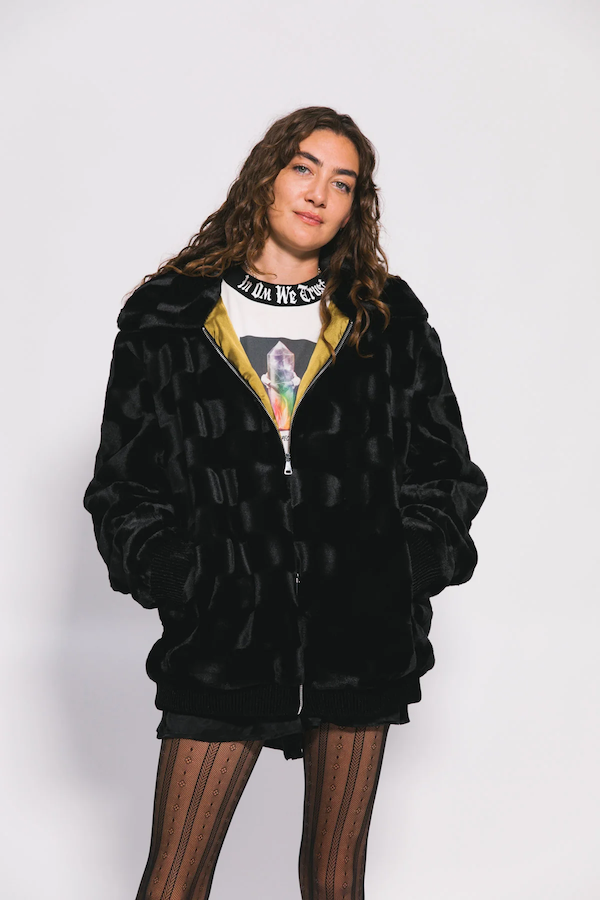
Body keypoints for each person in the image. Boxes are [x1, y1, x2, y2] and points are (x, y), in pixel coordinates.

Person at [83, 106, 488, 900]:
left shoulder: (386, 319)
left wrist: (400, 568)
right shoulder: (169, 318)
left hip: (360, 636)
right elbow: (124, 486)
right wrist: (180, 576)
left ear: (356, 205)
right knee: (175, 879)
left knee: (335, 879)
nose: (319, 193)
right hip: (225, 632)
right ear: (266, 175)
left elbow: (445, 474)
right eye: (304, 168)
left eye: (344, 182)